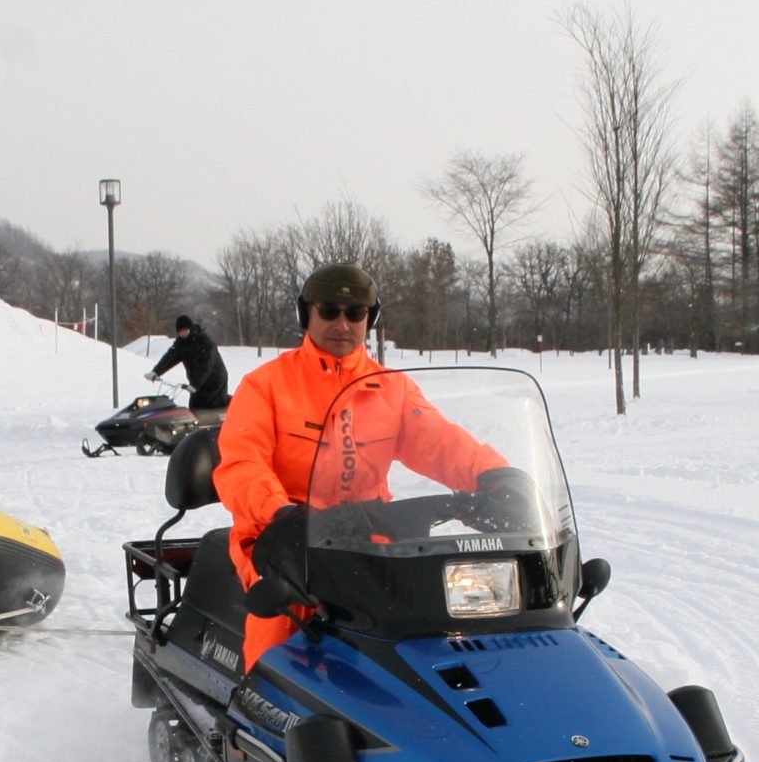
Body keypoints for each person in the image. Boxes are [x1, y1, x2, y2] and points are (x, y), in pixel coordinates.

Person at [213, 263, 505, 669]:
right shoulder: (266, 385)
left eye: (355, 314)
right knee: (279, 644)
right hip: (282, 535)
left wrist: (496, 476)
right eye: (329, 311)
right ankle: (258, 718)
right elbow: (242, 463)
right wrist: (280, 514)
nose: (342, 323)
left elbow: (440, 441)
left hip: (368, 531)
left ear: (370, 319)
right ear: (306, 314)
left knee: (428, 626)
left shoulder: (393, 389)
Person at [146, 314, 230, 411]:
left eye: (185, 330)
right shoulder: (181, 343)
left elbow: (206, 366)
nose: (183, 333)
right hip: (196, 382)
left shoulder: (205, 342)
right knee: (194, 409)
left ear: (190, 329)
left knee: (212, 409)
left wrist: (196, 384)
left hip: (214, 381)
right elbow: (170, 358)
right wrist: (156, 372)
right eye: (181, 332)